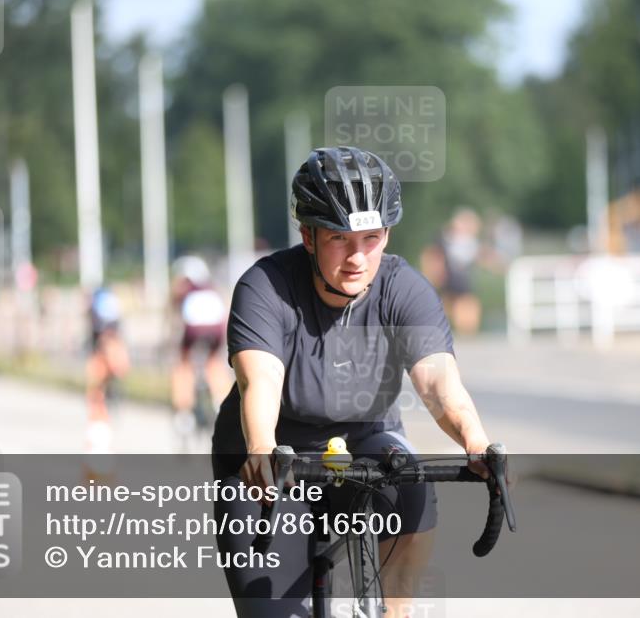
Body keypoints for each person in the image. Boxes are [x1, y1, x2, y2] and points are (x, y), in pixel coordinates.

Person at [211, 146, 493, 617]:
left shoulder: (403, 288)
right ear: (308, 235)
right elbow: (260, 379)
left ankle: (394, 613)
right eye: (341, 239)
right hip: (270, 460)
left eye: (372, 238)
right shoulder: (265, 287)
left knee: (412, 481)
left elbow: (439, 383)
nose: (359, 257)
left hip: (362, 441)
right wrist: (260, 445)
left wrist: (475, 439)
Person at [169, 255, 232, 445]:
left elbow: (174, 318)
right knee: (213, 361)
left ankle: (184, 413)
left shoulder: (183, 289)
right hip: (216, 329)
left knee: (184, 363)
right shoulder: (212, 289)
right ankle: (220, 400)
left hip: (193, 329)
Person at [420, 207, 484, 335]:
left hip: (461, 279)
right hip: (450, 277)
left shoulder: (466, 241)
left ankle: (465, 330)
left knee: (463, 304)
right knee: (454, 304)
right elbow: (433, 256)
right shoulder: (445, 239)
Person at [85, 286, 130, 426]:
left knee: (98, 370)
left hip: (103, 336)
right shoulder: (112, 302)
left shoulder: (96, 303)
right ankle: (108, 389)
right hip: (112, 335)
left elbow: (92, 329)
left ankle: (101, 396)